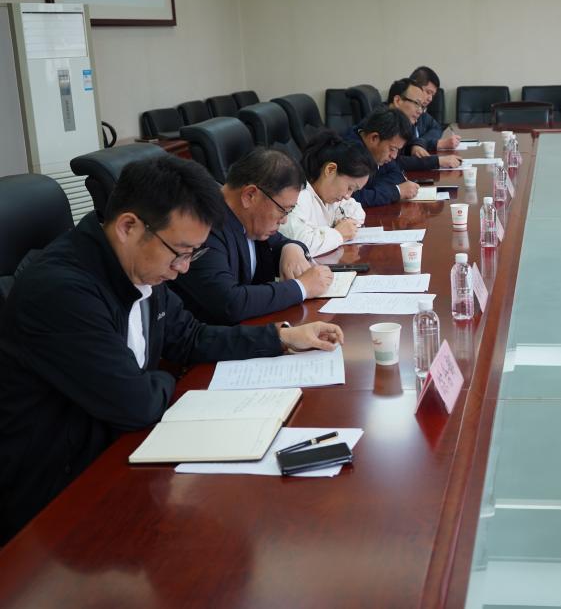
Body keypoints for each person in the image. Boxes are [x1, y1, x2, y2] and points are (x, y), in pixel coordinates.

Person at [0, 156, 343, 543]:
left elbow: (190, 336)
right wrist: (168, 378)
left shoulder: (141, 265)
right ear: (129, 227)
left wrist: (279, 338)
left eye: (193, 253)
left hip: (125, 450)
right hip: (58, 500)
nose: (184, 268)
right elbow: (136, 403)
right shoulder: (62, 292)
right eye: (180, 252)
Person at [171, 148, 334, 325]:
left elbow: (279, 242)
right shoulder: (204, 225)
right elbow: (230, 302)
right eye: (283, 210)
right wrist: (302, 287)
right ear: (250, 195)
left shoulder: (248, 219)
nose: (284, 220)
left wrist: (291, 248)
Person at [279, 130, 376, 256]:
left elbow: (357, 211)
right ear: (330, 170)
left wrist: (342, 223)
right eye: (349, 187)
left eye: (354, 190)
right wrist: (338, 234)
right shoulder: (297, 196)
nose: (348, 196)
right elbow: (298, 244)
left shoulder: (329, 195)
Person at [345, 106, 418, 207]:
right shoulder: (349, 152)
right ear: (374, 138)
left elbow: (397, 174)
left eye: (397, 150)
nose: (394, 156)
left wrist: (375, 191)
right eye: (392, 149)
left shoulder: (378, 152)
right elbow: (349, 198)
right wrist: (396, 192)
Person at [386, 78, 462, 169]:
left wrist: (416, 145)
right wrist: (436, 161)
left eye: (422, 106)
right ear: (398, 101)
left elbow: (412, 141)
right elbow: (391, 162)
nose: (420, 111)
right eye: (416, 103)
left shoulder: (403, 120)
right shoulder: (382, 123)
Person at [409, 65, 461, 151]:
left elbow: (436, 127)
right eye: (428, 92)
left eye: (432, 95)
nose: (430, 99)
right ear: (413, 87)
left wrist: (420, 143)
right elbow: (405, 148)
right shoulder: (398, 114)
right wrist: (437, 144)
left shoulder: (422, 112)